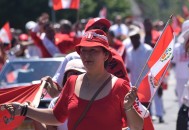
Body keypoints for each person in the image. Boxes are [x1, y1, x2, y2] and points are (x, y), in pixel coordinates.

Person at [2, 29, 144, 130]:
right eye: (83, 51)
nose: (87, 56)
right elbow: (56, 117)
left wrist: (129, 106)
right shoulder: (71, 82)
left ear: (106, 55)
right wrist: (24, 110)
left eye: (93, 51)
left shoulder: (120, 86)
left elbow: (137, 127)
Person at [33, 59, 86, 130]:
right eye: (71, 74)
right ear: (65, 78)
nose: (74, 77)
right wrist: (31, 111)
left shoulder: (96, 99)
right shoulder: (56, 102)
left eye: (78, 73)